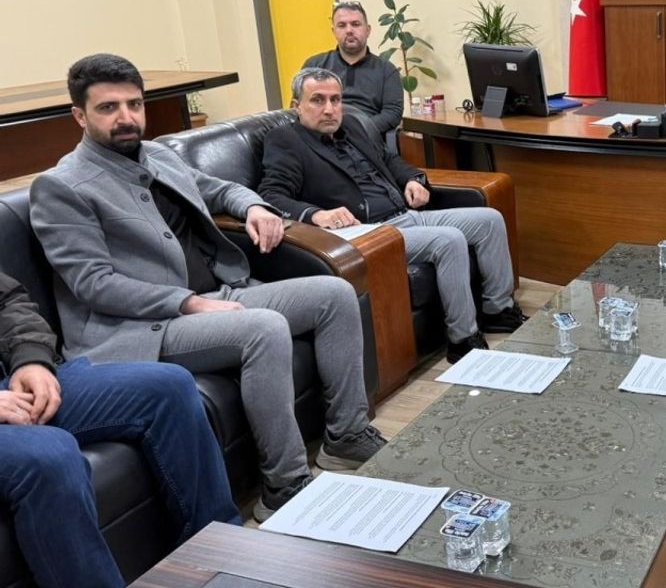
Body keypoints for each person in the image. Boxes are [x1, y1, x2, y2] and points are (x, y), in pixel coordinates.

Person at [29, 54, 385, 522]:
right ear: (79, 115)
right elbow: (94, 284)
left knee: (333, 294)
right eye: (108, 108)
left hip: (217, 293)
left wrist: (254, 206)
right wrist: (188, 303)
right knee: (264, 329)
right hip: (141, 327)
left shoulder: (156, 155)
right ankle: (284, 485)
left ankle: (346, 435)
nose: (126, 117)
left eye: (134, 104)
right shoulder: (61, 186)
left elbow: (219, 190)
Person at [258, 67, 526, 362]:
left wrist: (413, 179)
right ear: (296, 106)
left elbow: (388, 159)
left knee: (489, 220)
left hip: (405, 214)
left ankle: (498, 310)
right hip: (370, 232)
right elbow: (271, 195)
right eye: (317, 100)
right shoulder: (285, 140)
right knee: (448, 240)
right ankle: (463, 340)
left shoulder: (352, 126)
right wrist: (315, 214)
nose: (330, 109)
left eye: (335, 100)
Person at [0, 270, 238, 588]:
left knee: (169, 387)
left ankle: (224, 566)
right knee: (50, 454)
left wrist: (30, 358)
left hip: (10, 384)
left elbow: (8, 300)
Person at [303, 0, 404, 154]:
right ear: (334, 31)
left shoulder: (386, 70)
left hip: (366, 142)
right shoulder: (314, 65)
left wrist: (354, 131)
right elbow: (299, 107)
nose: (349, 30)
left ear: (368, 30)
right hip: (320, 140)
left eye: (356, 24)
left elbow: (392, 113)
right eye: (342, 25)